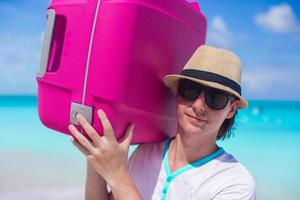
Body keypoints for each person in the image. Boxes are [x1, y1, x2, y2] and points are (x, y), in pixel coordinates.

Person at [69, 45, 256, 200]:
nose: (199, 106)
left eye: (216, 98)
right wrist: (97, 158)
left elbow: (119, 180)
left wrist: (117, 173)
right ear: (178, 94)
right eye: (190, 90)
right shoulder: (146, 153)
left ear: (231, 109)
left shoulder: (235, 183)